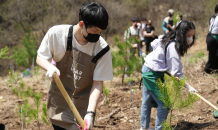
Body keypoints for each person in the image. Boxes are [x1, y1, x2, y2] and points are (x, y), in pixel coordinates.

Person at [36, 2, 113, 130]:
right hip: (59, 101)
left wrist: (90, 114)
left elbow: (98, 83)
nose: (98, 35)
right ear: (82, 24)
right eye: (95, 30)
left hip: (82, 105)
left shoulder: (102, 49)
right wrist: (50, 67)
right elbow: (41, 57)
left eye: (100, 31)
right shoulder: (57, 34)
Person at [140, 20, 197, 130]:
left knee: (146, 102)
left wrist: (160, 63)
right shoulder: (173, 47)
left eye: (192, 36)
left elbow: (154, 45)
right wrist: (188, 87)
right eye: (189, 35)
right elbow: (176, 73)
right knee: (165, 104)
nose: (191, 38)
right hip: (151, 74)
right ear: (181, 34)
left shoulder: (168, 38)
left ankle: (144, 128)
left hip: (147, 68)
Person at [204, 3, 218, 74]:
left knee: (213, 55)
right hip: (214, 38)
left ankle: (213, 70)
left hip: (210, 37)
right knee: (212, 57)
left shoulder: (213, 17)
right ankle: (206, 72)